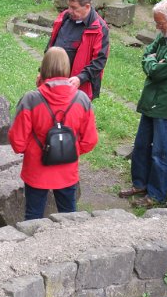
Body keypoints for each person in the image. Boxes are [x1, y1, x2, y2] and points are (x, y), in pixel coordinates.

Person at [118, 0, 167, 208]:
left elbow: (156, 70)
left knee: (161, 152)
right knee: (142, 145)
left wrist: (153, 61)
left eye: (160, 23)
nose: (157, 27)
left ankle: (157, 194)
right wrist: (152, 59)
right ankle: (140, 184)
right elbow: (148, 52)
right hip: (153, 100)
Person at [8, 47, 99, 220]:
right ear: (67, 68)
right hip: (67, 170)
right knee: (70, 216)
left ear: (43, 68)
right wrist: (70, 150)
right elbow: (90, 140)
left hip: (37, 170)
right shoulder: (82, 99)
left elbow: (18, 142)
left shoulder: (31, 99)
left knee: (33, 217)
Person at [46, 0, 110, 100]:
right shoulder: (64, 17)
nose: (69, 10)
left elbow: (99, 62)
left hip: (79, 87)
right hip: (55, 82)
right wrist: (44, 69)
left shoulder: (99, 29)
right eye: (69, 6)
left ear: (87, 6)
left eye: (74, 8)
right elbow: (51, 44)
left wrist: (80, 78)